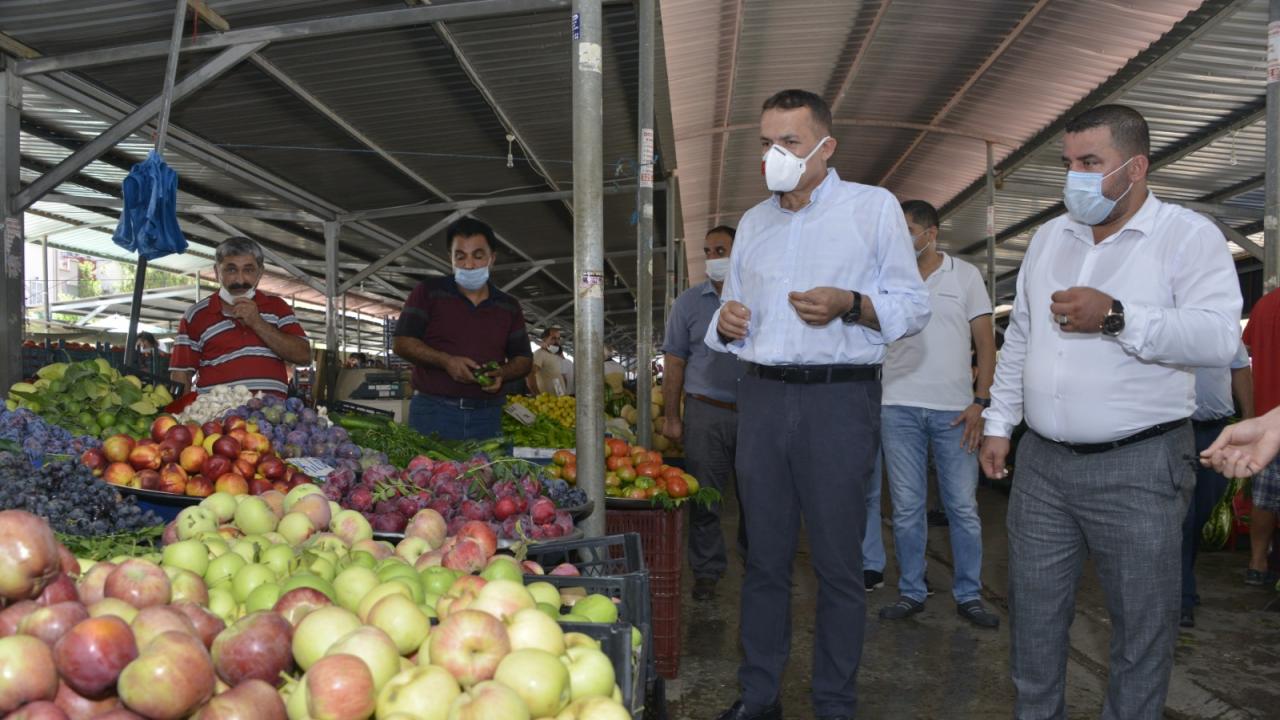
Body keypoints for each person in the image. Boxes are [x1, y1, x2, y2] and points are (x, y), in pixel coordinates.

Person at [978, 104, 1241, 719]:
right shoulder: (1051, 237)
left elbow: (1218, 338)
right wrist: (999, 423)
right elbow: (1020, 340)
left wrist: (1118, 316)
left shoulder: (1186, 235)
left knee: (1141, 633)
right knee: (1035, 624)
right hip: (1042, 465)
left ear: (1136, 166)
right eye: (1068, 163)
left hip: (1141, 465)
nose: (1074, 177)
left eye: (1090, 163)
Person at [705, 89, 930, 720]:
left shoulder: (871, 209)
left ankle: (834, 701)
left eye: (789, 142)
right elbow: (732, 321)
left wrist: (851, 304)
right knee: (765, 560)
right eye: (765, 143)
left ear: (826, 148)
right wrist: (726, 322)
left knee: (837, 564)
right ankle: (759, 696)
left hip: (839, 400)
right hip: (763, 398)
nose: (772, 156)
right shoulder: (753, 223)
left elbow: (914, 306)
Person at [874, 200, 998, 628]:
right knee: (907, 508)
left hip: (955, 411)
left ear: (932, 233)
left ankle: (969, 594)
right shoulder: (886, 278)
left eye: (909, 228)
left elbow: (985, 343)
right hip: (898, 406)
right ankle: (912, 590)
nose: (902, 237)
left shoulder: (964, 276)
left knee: (962, 507)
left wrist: (981, 402)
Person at [661, 225, 747, 602]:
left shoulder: (756, 296)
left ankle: (758, 565)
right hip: (704, 412)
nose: (714, 257)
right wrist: (671, 415)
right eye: (708, 250)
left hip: (756, 414)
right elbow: (674, 360)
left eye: (721, 249)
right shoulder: (689, 303)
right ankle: (707, 571)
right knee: (706, 497)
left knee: (758, 496)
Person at [392, 217, 533, 441]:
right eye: (460, 256)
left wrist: (502, 374)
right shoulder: (428, 292)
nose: (469, 265)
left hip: (488, 415)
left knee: (487, 475)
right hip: (433, 411)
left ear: (492, 258)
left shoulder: (508, 306)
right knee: (427, 474)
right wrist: (446, 361)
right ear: (450, 258)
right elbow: (402, 342)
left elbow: (524, 358)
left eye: (478, 256)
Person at [170, 236, 311, 397]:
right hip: (216, 418)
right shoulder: (195, 315)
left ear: (260, 272)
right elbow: (181, 375)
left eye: (248, 270)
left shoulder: (277, 307)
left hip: (271, 417)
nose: (240, 279)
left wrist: (257, 322)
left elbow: (304, 356)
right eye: (231, 269)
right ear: (217, 272)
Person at [1181, 342, 1252, 626]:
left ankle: (1183, 578)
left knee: (1203, 514)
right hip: (1177, 430)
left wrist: (1249, 419)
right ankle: (1182, 596)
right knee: (1183, 517)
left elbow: (1239, 368)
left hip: (1216, 432)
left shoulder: (1224, 325)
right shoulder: (1170, 316)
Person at [1241, 288, 1280, 587]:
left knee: (1265, 498)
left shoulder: (1265, 305)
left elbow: (1247, 351)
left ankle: (1257, 562)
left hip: (1267, 417)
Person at [529, 327, 566, 396]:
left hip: (559, 399)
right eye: (553, 338)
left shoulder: (556, 355)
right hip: (546, 399)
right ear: (544, 339)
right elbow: (531, 374)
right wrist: (537, 394)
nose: (557, 341)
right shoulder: (540, 353)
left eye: (558, 339)